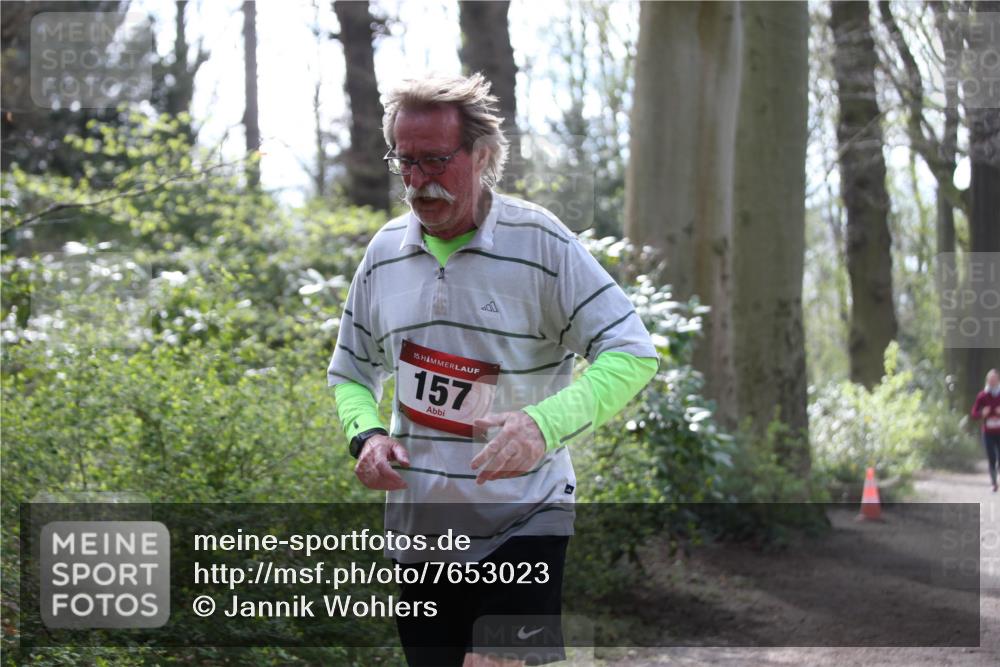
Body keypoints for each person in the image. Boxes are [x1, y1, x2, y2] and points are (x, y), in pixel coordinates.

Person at [327, 73, 659, 667]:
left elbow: (631, 351)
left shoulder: (541, 244)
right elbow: (351, 372)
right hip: (422, 529)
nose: (419, 181)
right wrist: (367, 435)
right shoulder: (382, 256)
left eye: (435, 160)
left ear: (482, 156)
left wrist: (542, 425)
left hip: (524, 516)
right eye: (406, 162)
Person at [970, 368, 1000, 493]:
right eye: (990, 380)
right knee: (991, 458)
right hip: (987, 433)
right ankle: (994, 483)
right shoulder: (982, 395)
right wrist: (982, 413)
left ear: (998, 380)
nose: (992, 382)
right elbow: (973, 413)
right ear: (987, 380)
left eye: (994, 379)